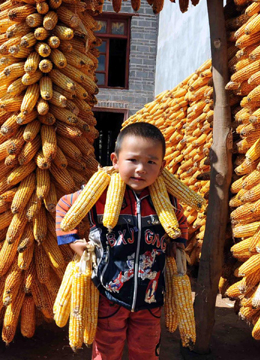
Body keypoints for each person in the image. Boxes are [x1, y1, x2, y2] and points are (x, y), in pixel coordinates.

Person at [56, 122, 188, 360]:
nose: (141, 169)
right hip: (109, 295)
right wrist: (72, 241)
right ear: (115, 161)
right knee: (107, 351)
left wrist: (179, 242)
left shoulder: (167, 199)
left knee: (146, 352)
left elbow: (181, 221)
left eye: (151, 162)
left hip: (151, 297)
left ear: (162, 166)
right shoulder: (101, 194)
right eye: (133, 160)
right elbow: (65, 206)